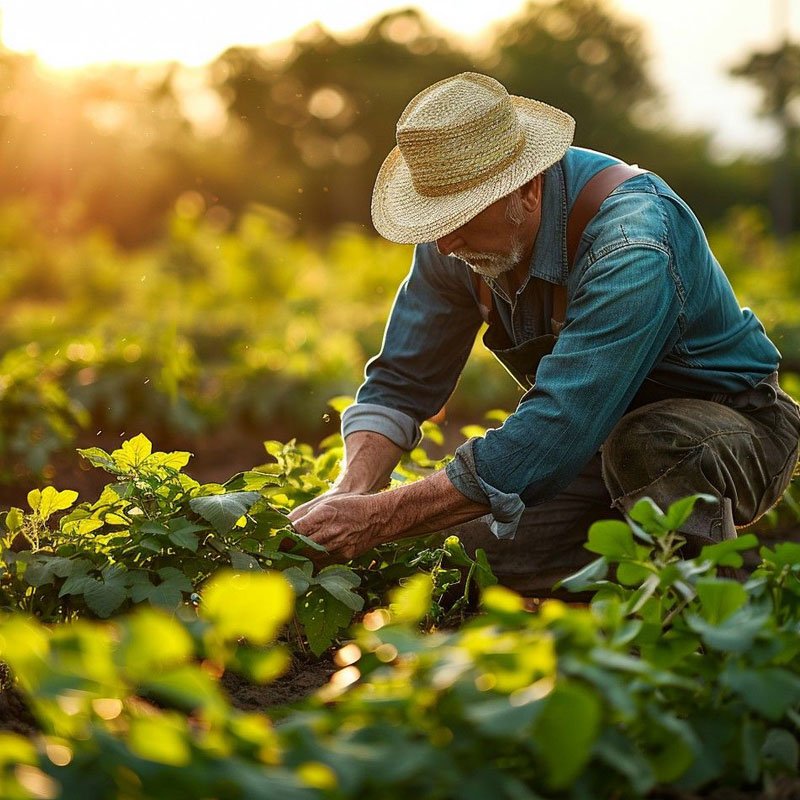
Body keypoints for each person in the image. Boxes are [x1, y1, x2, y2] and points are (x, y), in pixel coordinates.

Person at [289, 72, 800, 596]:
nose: (443, 242)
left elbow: (558, 426)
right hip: (596, 450)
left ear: (528, 188)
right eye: (433, 219)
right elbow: (401, 381)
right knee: (467, 550)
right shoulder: (455, 243)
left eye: (459, 216)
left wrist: (382, 517)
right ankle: (632, 583)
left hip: (729, 433)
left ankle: (723, 611)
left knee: (650, 445)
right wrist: (349, 494)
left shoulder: (631, 244)